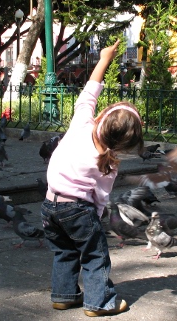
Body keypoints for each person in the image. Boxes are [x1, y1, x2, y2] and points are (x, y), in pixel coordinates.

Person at [41, 39, 143, 317]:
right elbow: (102, 196)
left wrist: (105, 59)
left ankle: (63, 295)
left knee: (64, 251)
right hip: (79, 210)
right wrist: (96, 219)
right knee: (95, 255)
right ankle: (100, 302)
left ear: (100, 118)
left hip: (50, 203)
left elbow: (89, 93)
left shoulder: (82, 124)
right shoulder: (109, 163)